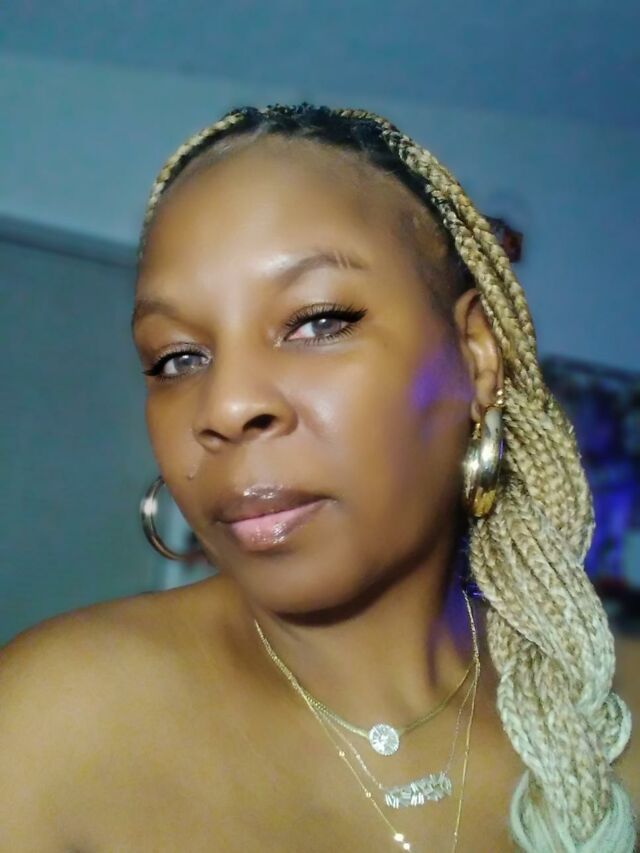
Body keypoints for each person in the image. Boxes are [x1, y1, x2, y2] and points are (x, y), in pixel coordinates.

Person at [0, 104, 637, 852]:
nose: (225, 406)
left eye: (318, 321)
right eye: (177, 358)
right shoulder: (49, 725)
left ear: (475, 356)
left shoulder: (616, 712)